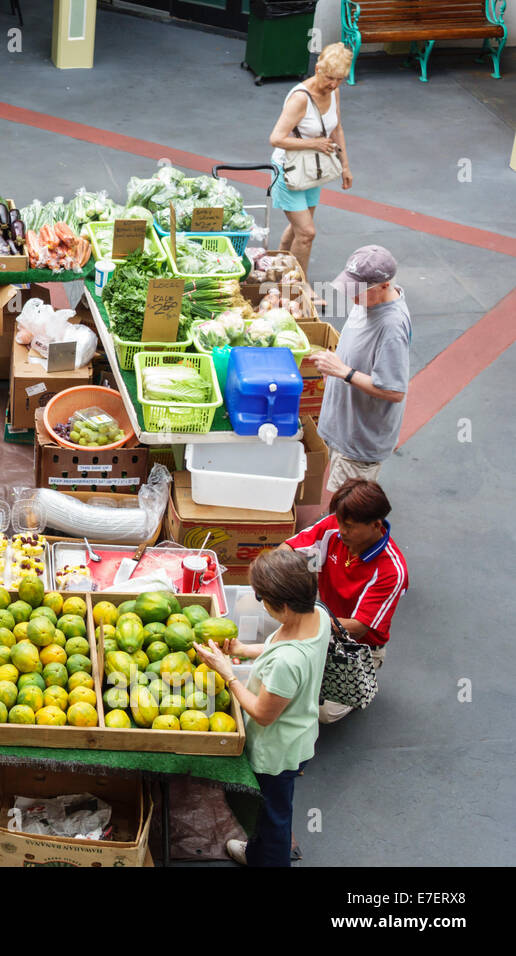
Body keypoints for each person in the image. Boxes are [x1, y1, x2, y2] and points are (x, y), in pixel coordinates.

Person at [195, 548, 327, 867]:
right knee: (271, 810)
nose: (260, 603)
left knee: (272, 818)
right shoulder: (316, 615)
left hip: (276, 751)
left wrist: (228, 674)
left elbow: (262, 714)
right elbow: (276, 646)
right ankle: (258, 850)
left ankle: (269, 858)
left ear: (280, 605)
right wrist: (243, 649)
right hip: (299, 733)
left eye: (261, 598)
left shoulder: (287, 663)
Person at [281, 478, 407, 724]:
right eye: (339, 522)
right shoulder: (335, 526)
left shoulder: (391, 570)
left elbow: (359, 628)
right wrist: (271, 575)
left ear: (376, 525)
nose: (340, 531)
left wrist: (303, 620)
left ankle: (365, 679)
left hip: (356, 647)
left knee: (323, 713)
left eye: (349, 526)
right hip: (322, 619)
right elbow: (288, 549)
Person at [312, 245, 410, 490]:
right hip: (343, 427)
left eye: (358, 291)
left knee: (346, 510)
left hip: (359, 441)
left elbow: (394, 391)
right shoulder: (368, 301)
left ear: (385, 285)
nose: (351, 296)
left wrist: (344, 372)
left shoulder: (391, 328)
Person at [267, 43, 354, 275]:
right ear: (317, 69)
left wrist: (345, 166)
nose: (334, 84)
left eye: (340, 79)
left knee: (299, 229)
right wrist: (313, 143)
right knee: (307, 233)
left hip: (313, 169)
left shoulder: (334, 91)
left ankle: (277, 268)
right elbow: (276, 138)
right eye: (329, 78)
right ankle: (299, 285)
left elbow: (338, 129)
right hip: (289, 169)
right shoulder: (300, 98)